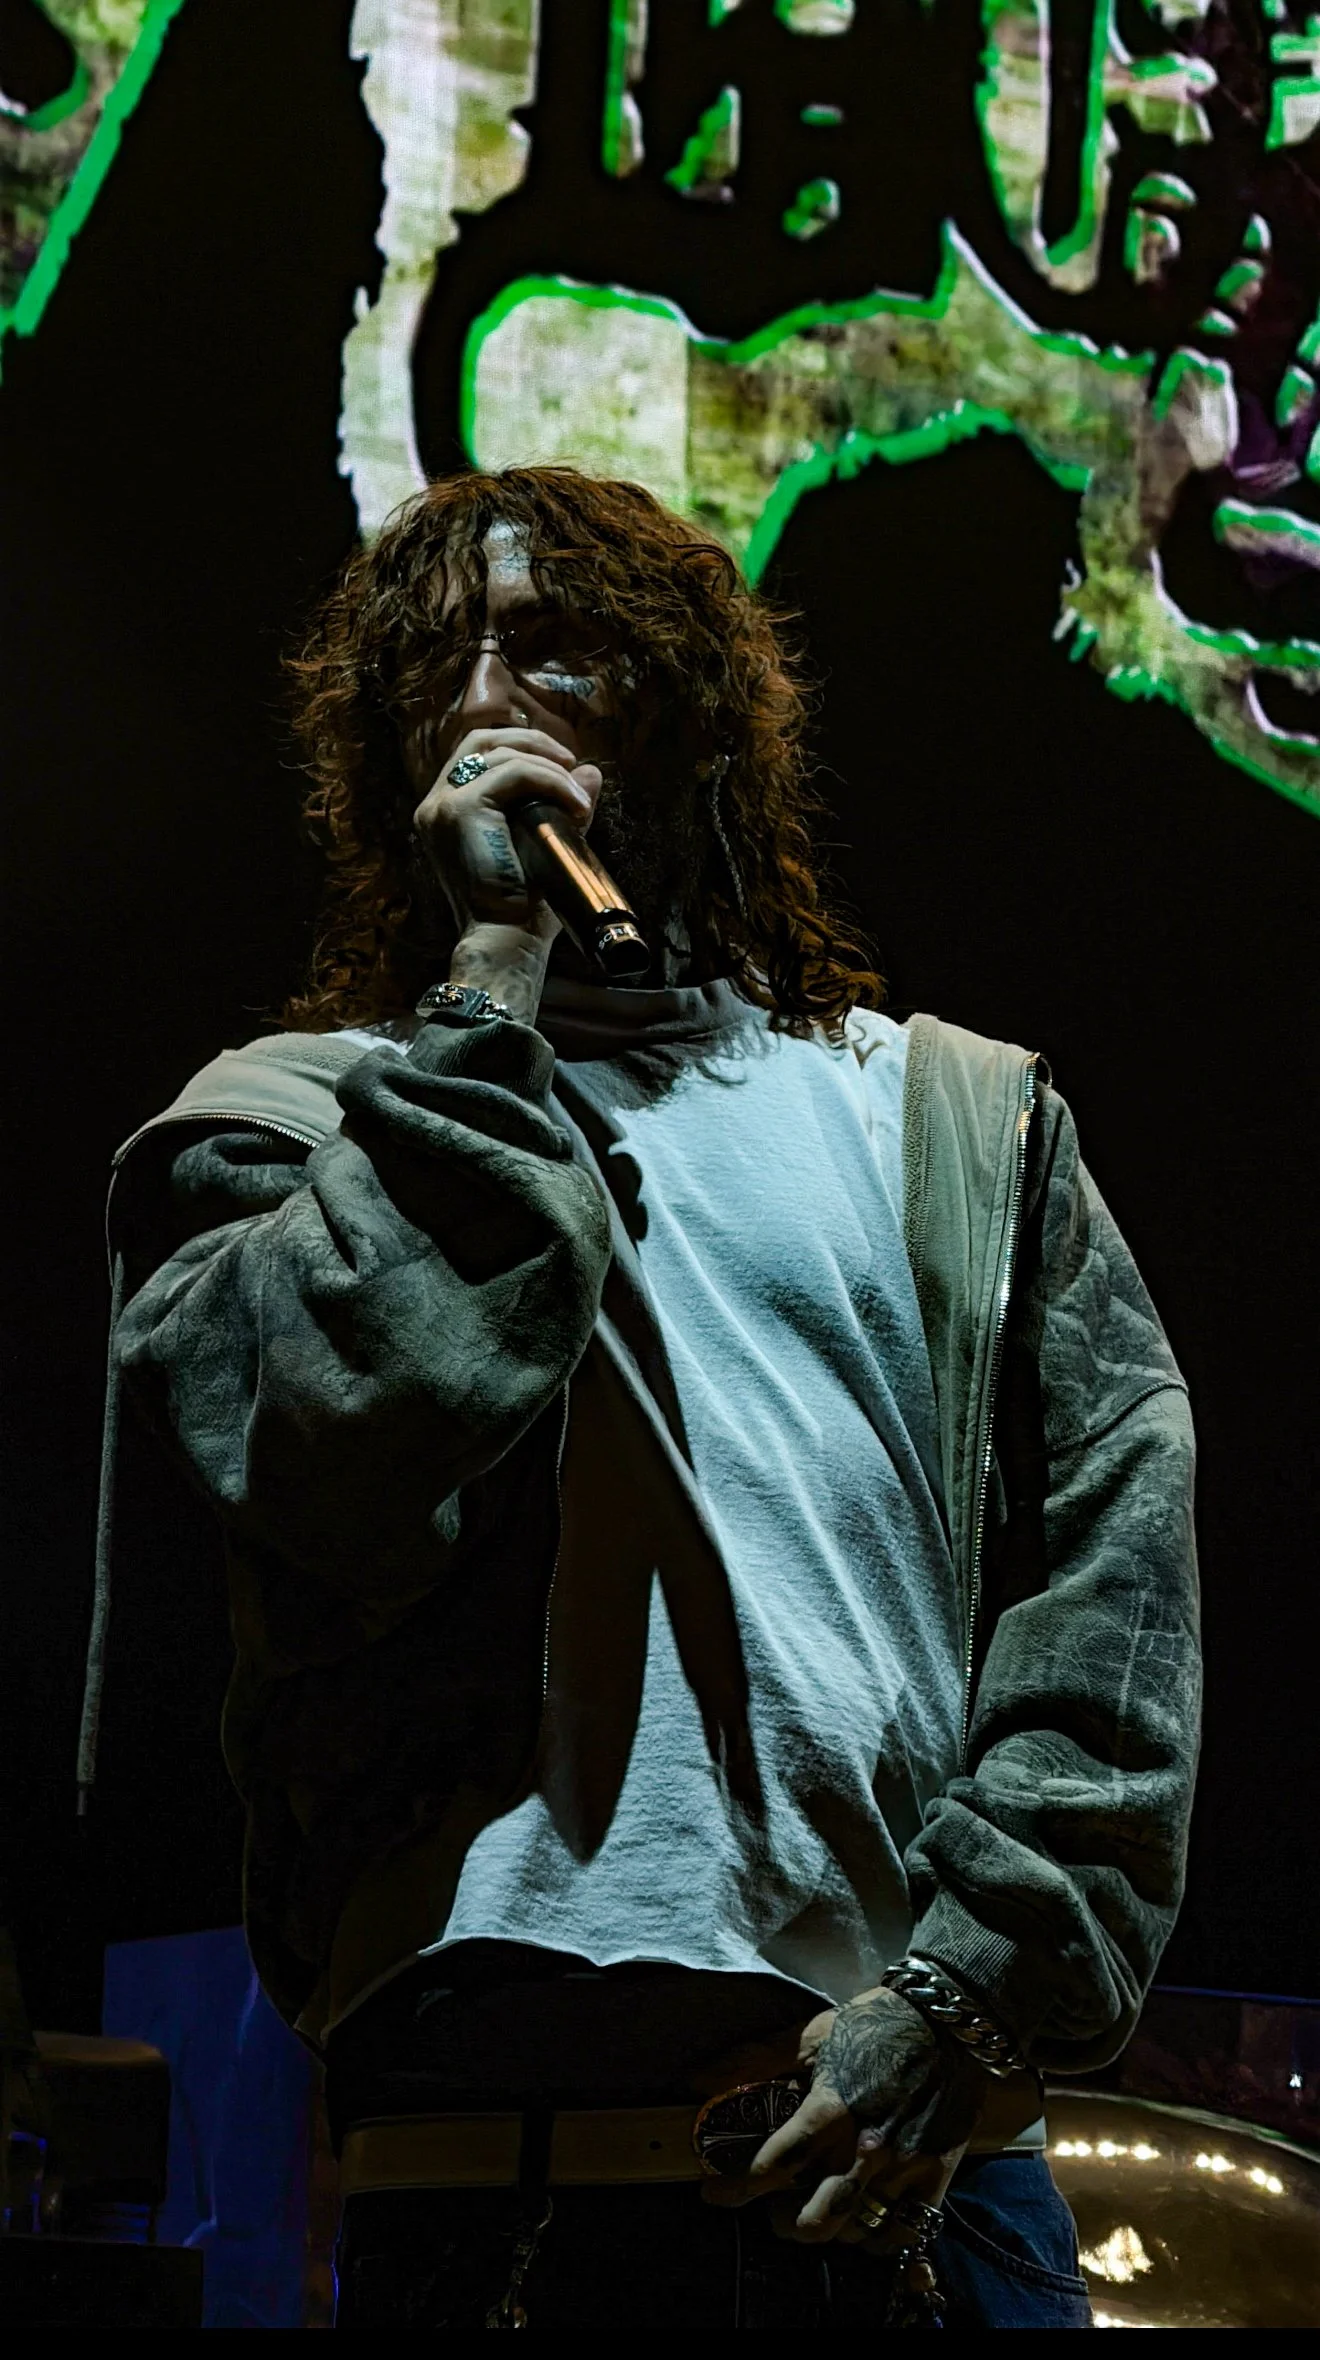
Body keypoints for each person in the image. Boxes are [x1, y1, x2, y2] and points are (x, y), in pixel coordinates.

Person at [109, 465, 1200, 2329]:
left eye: (549, 648)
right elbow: (333, 1442)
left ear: (694, 716)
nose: (480, 702)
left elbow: (1114, 1587)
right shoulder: (289, 1126)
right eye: (433, 675)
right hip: (493, 2177)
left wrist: (970, 1989)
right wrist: (489, 994)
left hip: (911, 2169)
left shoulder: (949, 1116)